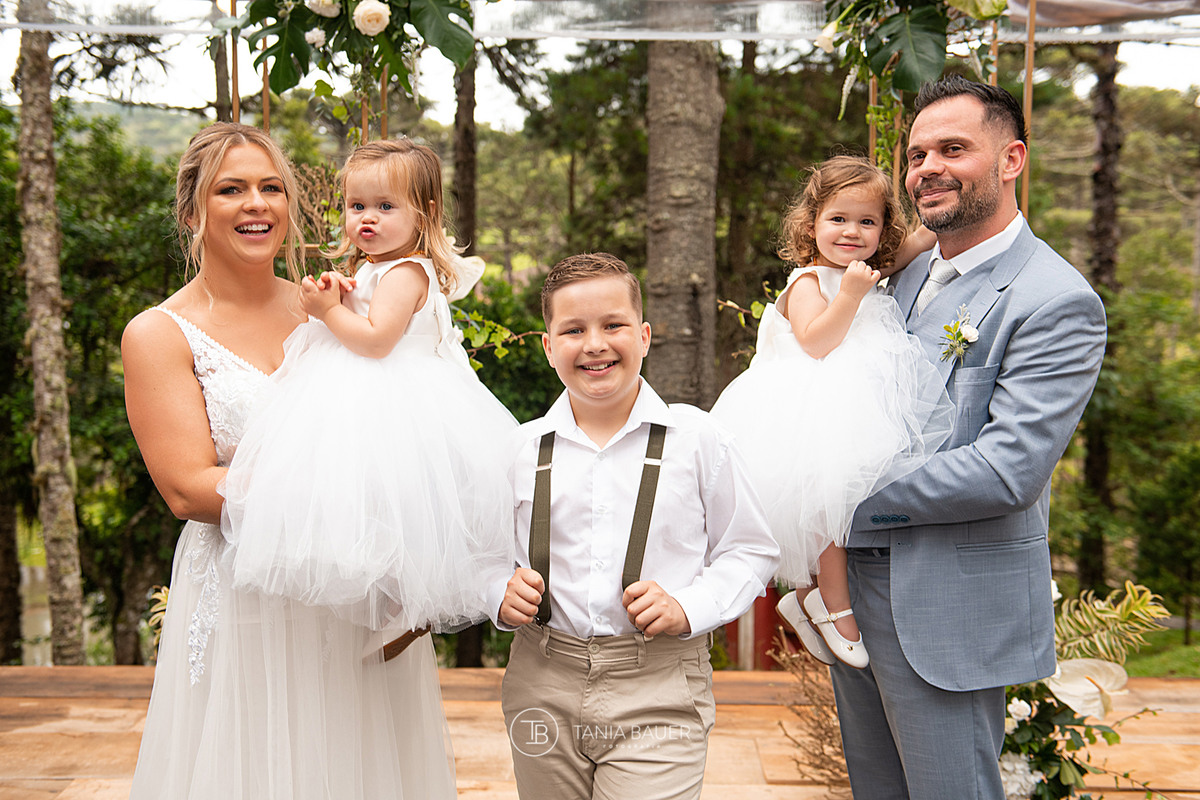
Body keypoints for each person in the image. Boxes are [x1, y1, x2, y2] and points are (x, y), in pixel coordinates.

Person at [122, 123, 456, 800]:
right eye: (232, 189)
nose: (258, 204)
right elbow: (189, 490)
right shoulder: (159, 333)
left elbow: (412, 415)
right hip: (248, 593)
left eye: (272, 187)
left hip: (360, 592)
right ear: (192, 211)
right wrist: (335, 493)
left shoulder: (331, 307)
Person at [831, 76, 1107, 800]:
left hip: (945, 605)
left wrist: (836, 501)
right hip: (853, 594)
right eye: (918, 154)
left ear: (1012, 158)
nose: (927, 168)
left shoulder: (1054, 299)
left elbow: (1007, 470)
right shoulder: (901, 270)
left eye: (953, 148)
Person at [489, 253, 780, 799]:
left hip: (661, 687)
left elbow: (749, 548)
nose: (595, 343)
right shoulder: (519, 449)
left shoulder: (697, 439)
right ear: (550, 348)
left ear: (644, 336)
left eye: (613, 325)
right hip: (541, 680)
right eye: (574, 329)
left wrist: (689, 605)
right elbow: (479, 555)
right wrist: (495, 591)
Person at [219, 138, 516, 646]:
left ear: (423, 216)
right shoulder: (380, 269)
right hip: (377, 396)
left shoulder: (405, 272)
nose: (367, 219)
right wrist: (345, 294)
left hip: (399, 401)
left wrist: (327, 311)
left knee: (395, 501)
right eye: (357, 207)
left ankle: (408, 604)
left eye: (385, 207)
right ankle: (389, 601)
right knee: (372, 503)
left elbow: (377, 340)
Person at [711, 155, 951, 670]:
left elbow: (918, 242)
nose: (852, 232)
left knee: (839, 510)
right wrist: (850, 294)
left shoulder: (860, 272)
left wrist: (940, 216)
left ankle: (806, 599)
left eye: (868, 222)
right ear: (812, 223)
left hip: (851, 407)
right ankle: (834, 607)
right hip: (805, 409)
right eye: (838, 219)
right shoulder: (807, 282)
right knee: (827, 515)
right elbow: (816, 342)